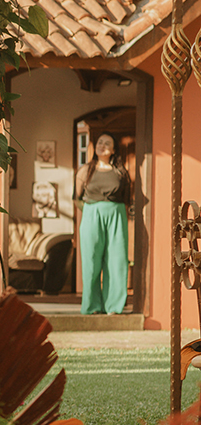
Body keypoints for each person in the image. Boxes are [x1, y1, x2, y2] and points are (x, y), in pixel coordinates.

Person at [74, 133, 131, 315]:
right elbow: (77, 198)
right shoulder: (85, 171)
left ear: (113, 150)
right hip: (91, 214)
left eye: (107, 143)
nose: (102, 146)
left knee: (117, 261)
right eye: (100, 142)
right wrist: (92, 212)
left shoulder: (121, 172)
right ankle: (92, 306)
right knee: (91, 260)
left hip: (116, 215)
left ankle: (114, 306)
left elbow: (128, 197)